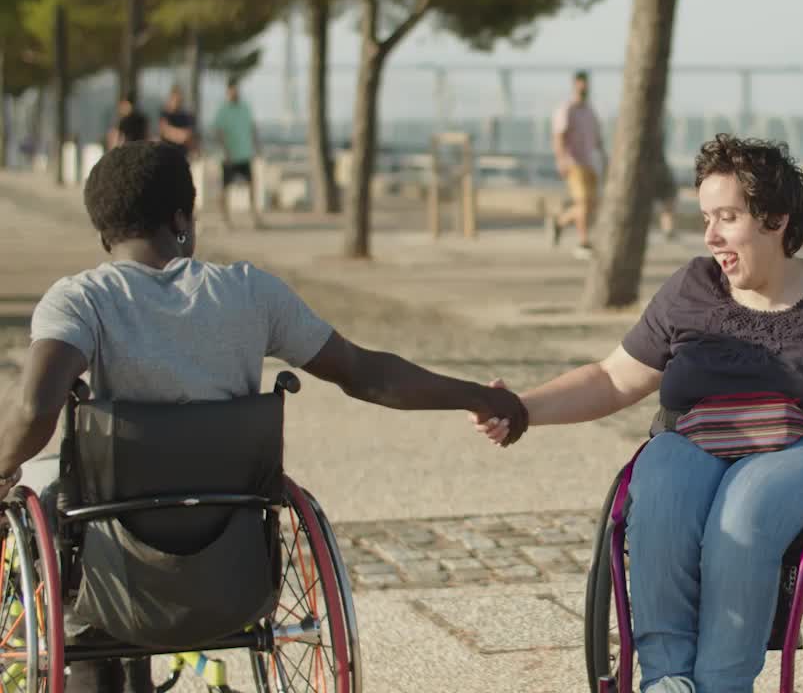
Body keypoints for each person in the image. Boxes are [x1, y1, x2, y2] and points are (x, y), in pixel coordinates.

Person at [0, 141, 529, 693]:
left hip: (114, 557)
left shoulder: (82, 300)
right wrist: (479, 397)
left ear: (103, 229)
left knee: (49, 496)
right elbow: (364, 372)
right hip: (234, 559)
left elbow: (35, 407)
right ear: (182, 219)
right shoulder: (250, 292)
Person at [476, 134, 803, 693]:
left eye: (727, 217)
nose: (710, 236)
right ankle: (668, 681)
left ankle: (723, 684)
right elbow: (612, 378)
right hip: (693, 441)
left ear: (775, 220)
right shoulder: (691, 289)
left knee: (744, 511)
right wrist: (521, 408)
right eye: (706, 217)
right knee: (659, 498)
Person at [548, 70, 607, 260]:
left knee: (590, 205)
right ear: (575, 84)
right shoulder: (567, 109)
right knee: (582, 202)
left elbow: (598, 140)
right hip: (573, 162)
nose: (584, 87)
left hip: (589, 163)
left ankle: (559, 221)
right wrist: (561, 160)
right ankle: (583, 242)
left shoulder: (590, 111)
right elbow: (558, 136)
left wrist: (605, 160)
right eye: (581, 83)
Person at [211, 80, 262, 229]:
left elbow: (252, 127)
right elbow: (218, 131)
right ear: (228, 92)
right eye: (232, 91)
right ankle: (225, 219)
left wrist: (256, 146)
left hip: (244, 154)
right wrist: (224, 150)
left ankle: (254, 217)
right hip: (229, 156)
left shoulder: (245, 107)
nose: (234, 93)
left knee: (251, 185)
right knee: (225, 188)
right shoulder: (223, 109)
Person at [157, 85, 198, 157]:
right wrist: (180, 135)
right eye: (175, 99)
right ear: (171, 98)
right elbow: (166, 131)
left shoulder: (185, 116)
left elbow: (189, 136)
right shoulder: (165, 115)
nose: (177, 102)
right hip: (167, 154)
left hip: (182, 155)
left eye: (179, 99)